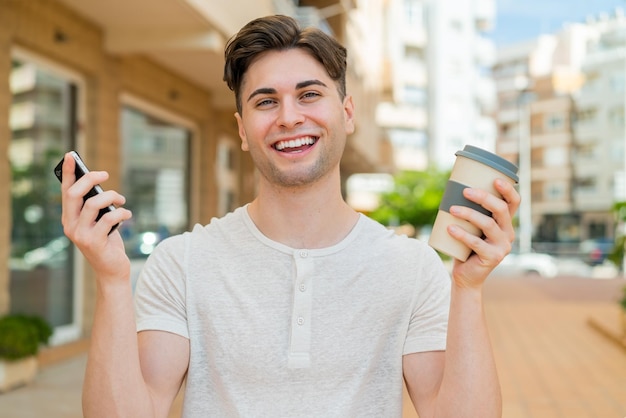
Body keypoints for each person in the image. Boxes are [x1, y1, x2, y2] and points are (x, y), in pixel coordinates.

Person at [61, 14, 520, 418]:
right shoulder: (181, 263)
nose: (288, 117)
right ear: (242, 129)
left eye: (309, 95)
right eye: (265, 101)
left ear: (347, 112)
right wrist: (112, 280)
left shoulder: (414, 269)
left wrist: (469, 288)